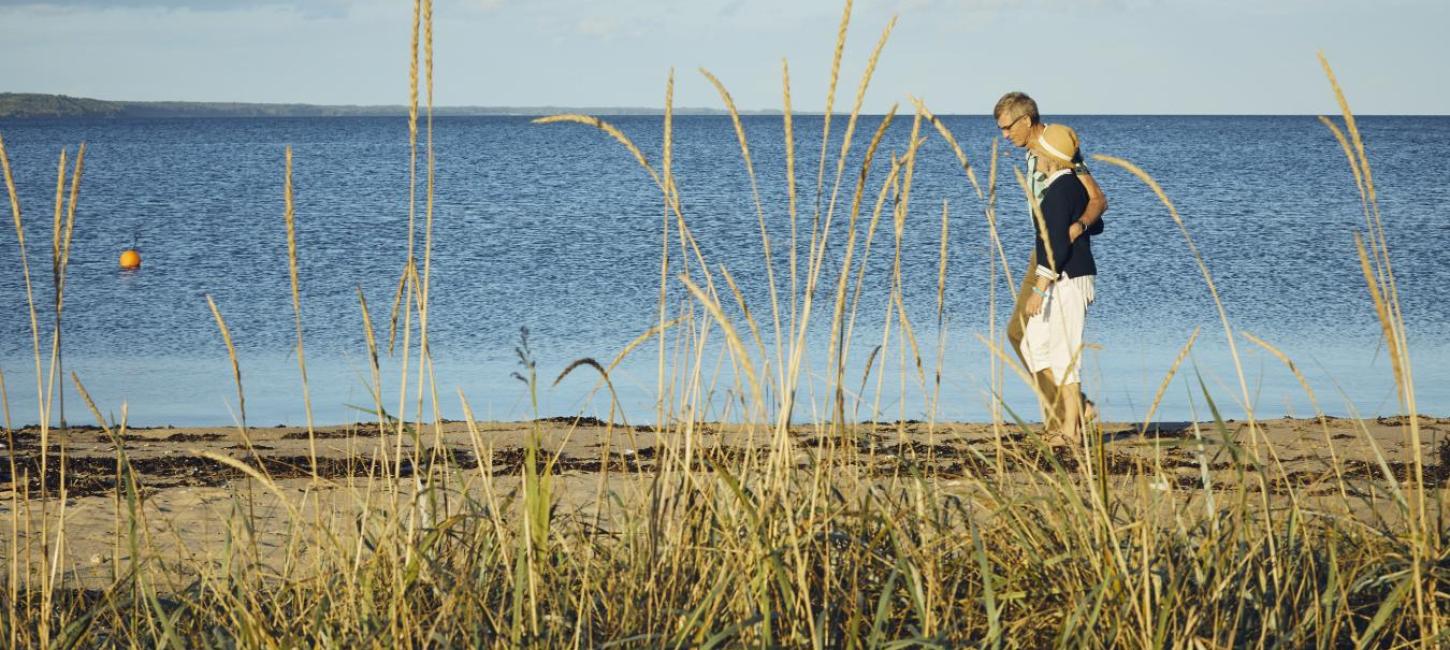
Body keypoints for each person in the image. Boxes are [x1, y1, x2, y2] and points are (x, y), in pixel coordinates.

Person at [993, 91, 1106, 433]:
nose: (1005, 136)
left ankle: (1065, 418)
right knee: (1020, 336)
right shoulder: (1031, 156)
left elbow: (1097, 199)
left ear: (1026, 121)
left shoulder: (1058, 147)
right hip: (1042, 247)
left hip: (1061, 251)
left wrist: (1077, 228)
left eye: (1007, 128)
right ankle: (1072, 409)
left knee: (1032, 335)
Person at [1019, 124, 1097, 445]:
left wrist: (1039, 289)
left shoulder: (1060, 190)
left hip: (1068, 279)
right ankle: (1079, 409)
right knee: (1032, 346)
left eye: (1038, 150)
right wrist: (1079, 225)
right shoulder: (1065, 186)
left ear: (1051, 157)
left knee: (1065, 356)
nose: (1033, 153)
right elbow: (1096, 222)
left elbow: (1057, 247)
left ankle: (1071, 432)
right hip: (1062, 276)